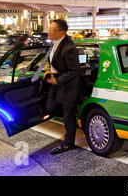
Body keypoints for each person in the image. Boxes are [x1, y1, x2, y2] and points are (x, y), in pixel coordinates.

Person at [45, 19, 84, 155]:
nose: (48, 32)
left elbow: (75, 71)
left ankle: (68, 143)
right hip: (59, 84)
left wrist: (58, 80)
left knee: (68, 116)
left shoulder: (69, 48)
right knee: (52, 108)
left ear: (61, 32)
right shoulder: (55, 44)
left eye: (52, 30)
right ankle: (69, 134)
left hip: (69, 87)